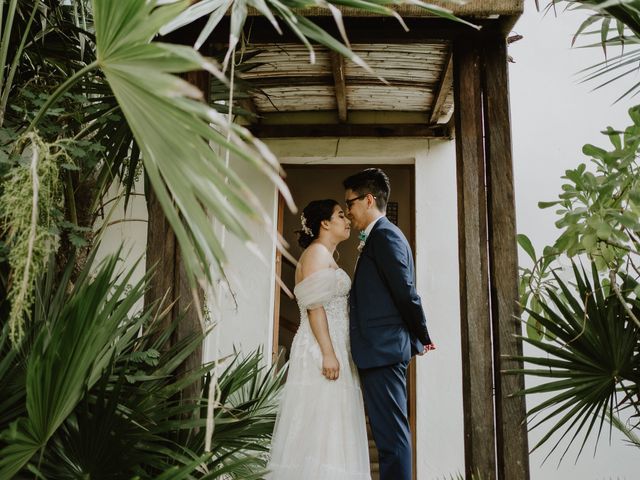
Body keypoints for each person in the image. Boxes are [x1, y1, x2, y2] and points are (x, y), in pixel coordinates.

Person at [266, 199, 371, 480]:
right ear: (325, 223)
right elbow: (315, 307)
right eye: (340, 215)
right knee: (319, 424)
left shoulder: (327, 255)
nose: (347, 219)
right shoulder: (315, 254)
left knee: (333, 425)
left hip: (335, 344)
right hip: (319, 347)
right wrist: (327, 352)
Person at [344, 168, 435, 480]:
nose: (348, 212)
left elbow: (405, 291)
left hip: (384, 351)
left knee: (392, 440)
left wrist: (422, 335)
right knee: (387, 439)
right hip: (378, 350)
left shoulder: (385, 236)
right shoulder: (380, 237)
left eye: (350, 204)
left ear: (368, 200)